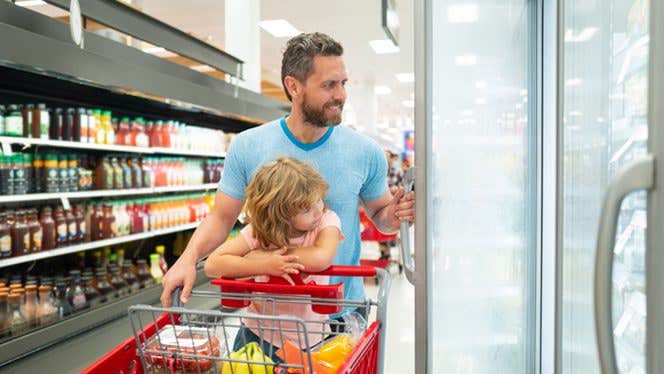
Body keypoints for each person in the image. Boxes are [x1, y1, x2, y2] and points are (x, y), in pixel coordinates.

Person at [161, 32, 415, 313]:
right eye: (329, 85)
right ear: (293, 86)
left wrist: (393, 217)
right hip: (268, 316)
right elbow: (221, 218)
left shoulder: (366, 151)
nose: (341, 95)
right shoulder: (248, 146)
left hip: (338, 312)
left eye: (343, 84)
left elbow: (380, 216)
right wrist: (187, 259)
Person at [204, 157, 343, 360]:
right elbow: (213, 264)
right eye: (306, 208)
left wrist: (262, 256)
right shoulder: (258, 232)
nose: (318, 210)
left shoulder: (326, 220)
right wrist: (264, 265)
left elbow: (321, 257)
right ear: (280, 213)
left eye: (319, 200)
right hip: (258, 335)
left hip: (311, 336)